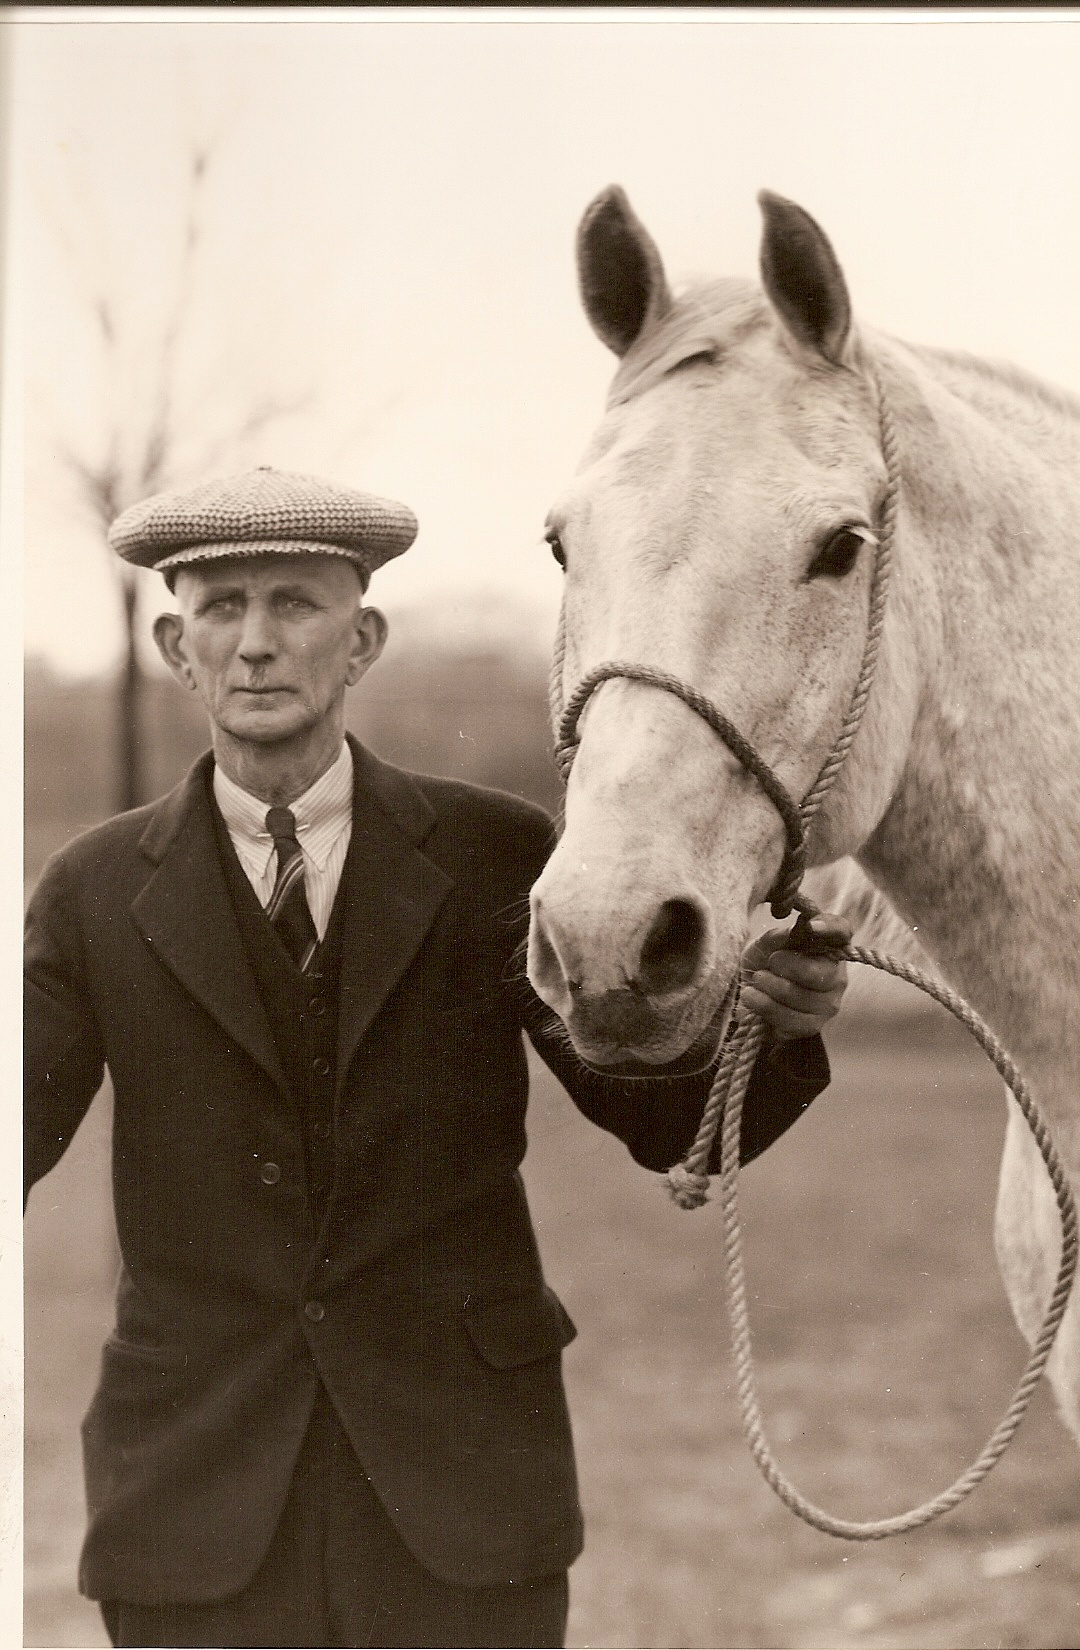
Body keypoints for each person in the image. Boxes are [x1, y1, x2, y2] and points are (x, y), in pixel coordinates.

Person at [24, 467, 849, 1650]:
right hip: (192, 1502)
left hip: (461, 1493)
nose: (256, 644)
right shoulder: (93, 890)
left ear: (362, 640)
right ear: (173, 643)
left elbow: (665, 1120)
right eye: (221, 608)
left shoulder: (494, 855)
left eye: (295, 605)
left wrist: (770, 1027)